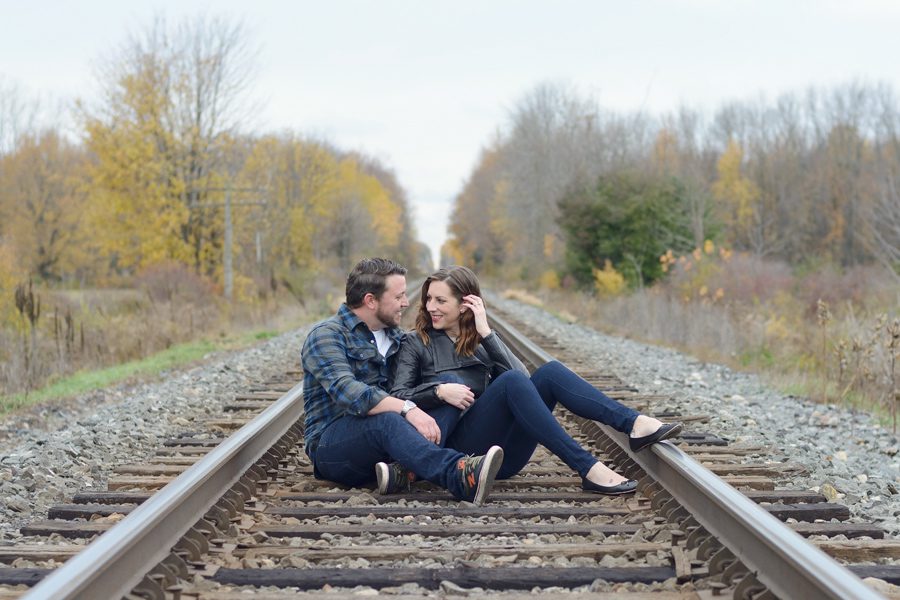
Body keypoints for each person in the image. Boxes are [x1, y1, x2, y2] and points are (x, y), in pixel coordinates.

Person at [390, 265, 682, 496]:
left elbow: (525, 383)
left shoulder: (483, 341)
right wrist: (439, 391)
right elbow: (399, 394)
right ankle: (588, 467)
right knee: (512, 382)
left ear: (466, 304)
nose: (430, 307)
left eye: (440, 300)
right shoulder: (416, 342)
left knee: (550, 373)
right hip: (461, 455)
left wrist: (487, 334)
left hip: (504, 454)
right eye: (429, 298)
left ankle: (634, 424)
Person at [301, 258, 504, 505]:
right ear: (370, 300)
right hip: (335, 448)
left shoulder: (398, 338)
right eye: (399, 297)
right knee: (385, 420)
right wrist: (408, 408)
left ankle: (405, 471)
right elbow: (350, 392)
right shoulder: (326, 335)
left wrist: (444, 388)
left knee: (445, 386)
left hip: (388, 446)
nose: (407, 303)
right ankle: (458, 475)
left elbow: (417, 389)